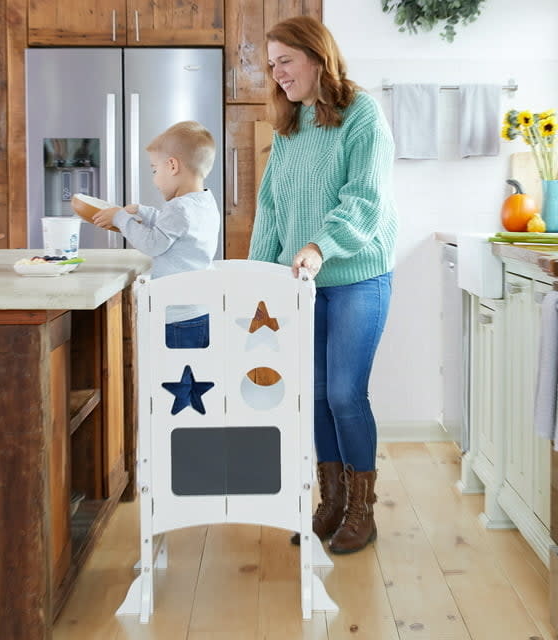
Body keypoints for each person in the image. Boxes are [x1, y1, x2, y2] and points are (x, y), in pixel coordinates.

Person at [248, 16, 397, 554]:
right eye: (271, 65)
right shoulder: (290, 127)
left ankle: (363, 509)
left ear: (318, 57)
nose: (277, 74)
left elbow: (365, 200)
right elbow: (270, 210)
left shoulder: (362, 115)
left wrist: (319, 245)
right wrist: (255, 277)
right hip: (300, 283)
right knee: (312, 395)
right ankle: (330, 502)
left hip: (357, 276)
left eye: (285, 60)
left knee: (343, 393)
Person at [93, 120, 220, 349]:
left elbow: (153, 243)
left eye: (154, 169)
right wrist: (143, 212)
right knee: (200, 374)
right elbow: (177, 229)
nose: (154, 178)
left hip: (178, 314)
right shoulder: (204, 201)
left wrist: (120, 219)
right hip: (200, 309)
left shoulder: (179, 208)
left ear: (172, 166)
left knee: (174, 378)